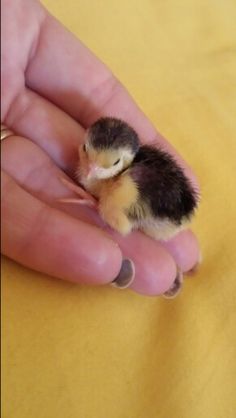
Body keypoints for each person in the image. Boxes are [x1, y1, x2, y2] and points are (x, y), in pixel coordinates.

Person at [1, 0, 200, 296]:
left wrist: (98, 203)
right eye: (87, 153)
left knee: (118, 199)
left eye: (108, 165)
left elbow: (120, 223)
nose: (92, 168)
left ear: (127, 160)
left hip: (164, 218)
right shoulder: (107, 165)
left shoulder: (124, 186)